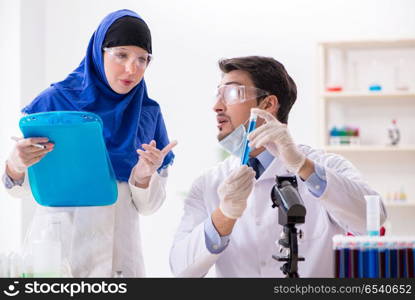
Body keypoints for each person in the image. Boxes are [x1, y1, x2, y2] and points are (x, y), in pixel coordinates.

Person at [169, 56, 387, 277]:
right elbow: (181, 269)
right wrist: (224, 216)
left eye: (231, 94)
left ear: (268, 104)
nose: (216, 106)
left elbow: (373, 217)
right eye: (218, 94)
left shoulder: (326, 166)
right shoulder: (209, 183)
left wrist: (304, 167)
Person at [2, 9, 177, 277]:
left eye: (143, 59)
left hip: (121, 264)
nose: (133, 68)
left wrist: (143, 177)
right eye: (121, 55)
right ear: (99, 53)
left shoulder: (147, 113)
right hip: (59, 260)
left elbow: (149, 207)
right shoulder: (54, 103)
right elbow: (19, 191)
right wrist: (15, 164)